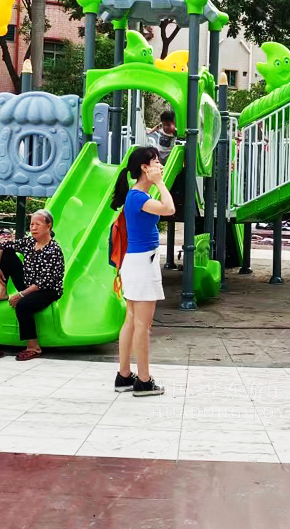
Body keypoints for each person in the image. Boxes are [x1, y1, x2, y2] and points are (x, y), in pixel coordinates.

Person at [111, 147, 175, 396]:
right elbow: (169, 208)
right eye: (155, 162)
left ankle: (124, 375)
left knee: (131, 320)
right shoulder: (138, 197)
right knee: (142, 324)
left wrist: (156, 182)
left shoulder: (136, 195)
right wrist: (160, 183)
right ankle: (144, 380)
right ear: (144, 168)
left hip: (136, 262)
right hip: (142, 263)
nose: (160, 166)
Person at [0, 210, 65, 362]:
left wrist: (21, 295)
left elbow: (44, 282)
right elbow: (2, 245)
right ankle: (1, 291)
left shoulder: (53, 250)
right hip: (29, 284)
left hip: (47, 290)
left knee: (23, 306)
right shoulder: (30, 242)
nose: (33, 228)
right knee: (7, 253)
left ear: (49, 226)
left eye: (37, 224)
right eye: (31, 224)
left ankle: (33, 347)